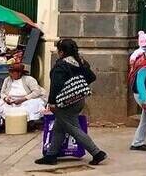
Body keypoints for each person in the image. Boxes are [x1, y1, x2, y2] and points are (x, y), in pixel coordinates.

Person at [35, 38, 106, 166]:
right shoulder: (80, 62)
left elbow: (56, 86)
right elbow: (91, 77)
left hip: (64, 103)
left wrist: (51, 103)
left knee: (74, 129)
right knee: (59, 127)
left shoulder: (61, 65)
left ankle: (97, 152)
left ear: (61, 52)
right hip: (78, 100)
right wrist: (76, 86)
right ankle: (51, 155)